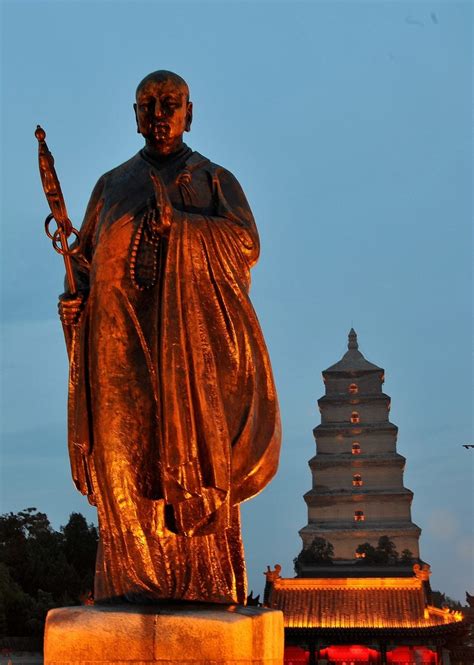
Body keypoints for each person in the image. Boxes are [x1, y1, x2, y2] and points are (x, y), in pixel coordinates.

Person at [59, 70, 281, 605]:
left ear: (189, 113)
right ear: (134, 115)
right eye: (148, 105)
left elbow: (245, 245)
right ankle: (126, 586)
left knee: (189, 466)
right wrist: (75, 300)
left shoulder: (212, 179)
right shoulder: (111, 186)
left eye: (170, 104)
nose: (159, 115)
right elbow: (86, 263)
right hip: (116, 349)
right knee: (123, 465)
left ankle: (199, 587)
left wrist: (181, 225)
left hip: (189, 351)